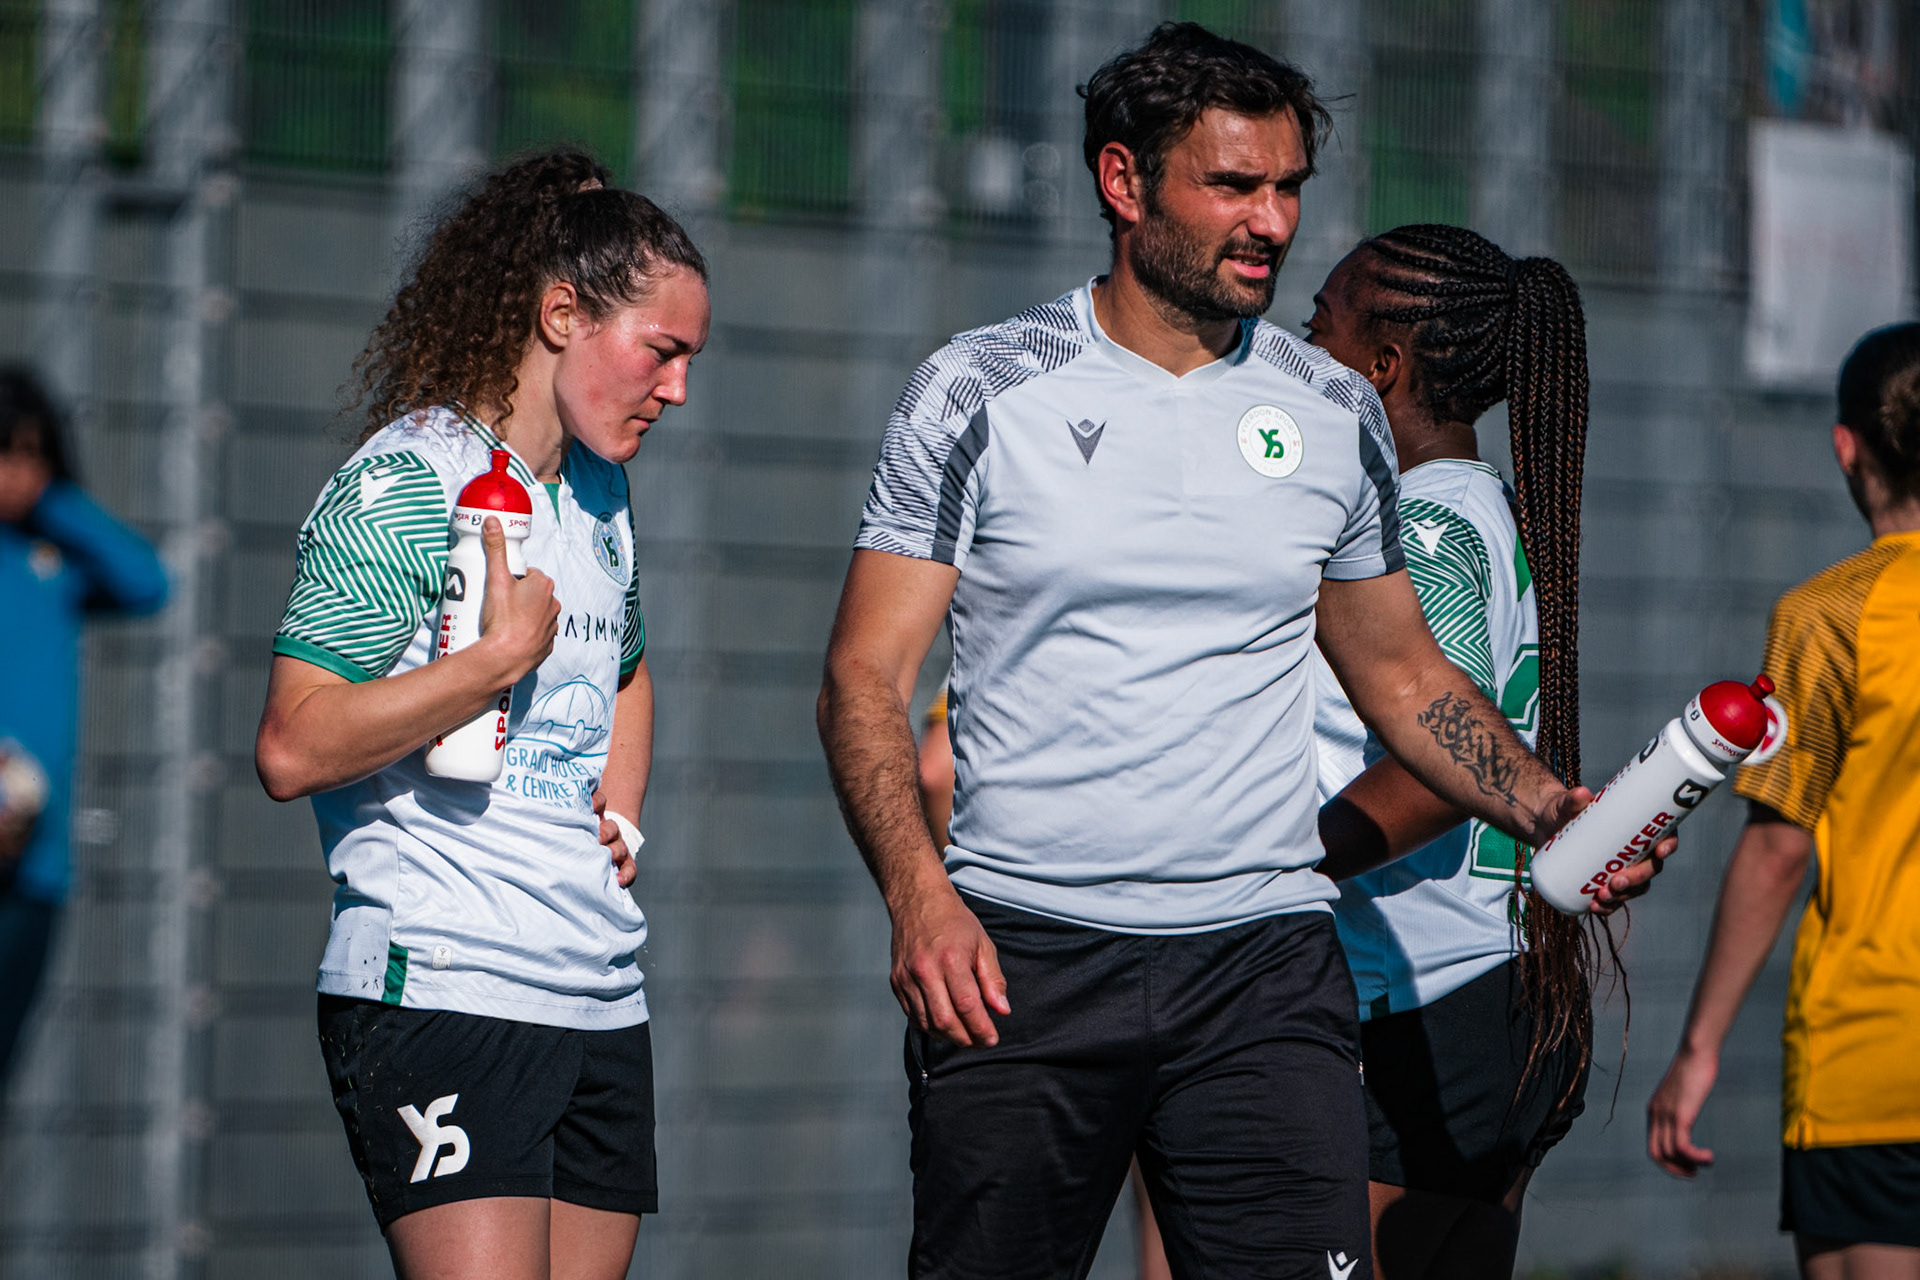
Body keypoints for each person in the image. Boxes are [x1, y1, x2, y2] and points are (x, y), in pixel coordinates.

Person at [817, 24, 1602, 1279]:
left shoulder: (1334, 406)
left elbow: (1401, 674)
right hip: (1024, 962)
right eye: (1234, 185)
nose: (1273, 223)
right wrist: (920, 897)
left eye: (1288, 188)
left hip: (1264, 969)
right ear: (1123, 184)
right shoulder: (975, 390)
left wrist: (1549, 802)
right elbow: (864, 674)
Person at [253, 149, 708, 1280]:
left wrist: (625, 807)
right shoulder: (408, 481)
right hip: (444, 983)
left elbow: (630, 667)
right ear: (562, 312)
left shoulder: (602, 491)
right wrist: (490, 663)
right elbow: (293, 742)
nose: (678, 390)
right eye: (661, 352)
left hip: (600, 992)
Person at [1647, 323, 1920, 1280]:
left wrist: (1698, 1048)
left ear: (1847, 448)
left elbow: (1777, 849)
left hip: (1880, 1055)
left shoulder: (1831, 616)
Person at [0, 370, 167, 1082]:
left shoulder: (55, 562)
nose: (18, 473)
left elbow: (145, 580)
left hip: (32, 872)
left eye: (34, 455)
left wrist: (52, 500)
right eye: (5, 453)